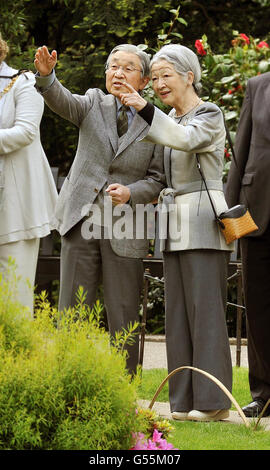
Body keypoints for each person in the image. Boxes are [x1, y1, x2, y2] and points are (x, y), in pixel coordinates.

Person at [34, 44, 165, 375]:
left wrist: (131, 192)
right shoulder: (93, 102)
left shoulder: (156, 122)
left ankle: (123, 388)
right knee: (73, 309)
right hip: (81, 219)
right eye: (112, 66)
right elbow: (62, 100)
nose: (117, 73)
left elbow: (158, 179)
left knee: (123, 312)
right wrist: (48, 77)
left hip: (126, 225)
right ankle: (69, 382)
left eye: (127, 68)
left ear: (145, 80)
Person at [120, 43, 234, 421]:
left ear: (189, 75)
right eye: (155, 78)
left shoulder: (209, 114)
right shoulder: (168, 117)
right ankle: (183, 402)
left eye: (166, 75)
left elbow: (185, 140)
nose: (159, 83)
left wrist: (145, 107)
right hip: (173, 223)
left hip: (203, 219)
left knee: (206, 312)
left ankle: (214, 403)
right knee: (179, 314)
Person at [0, 34, 58, 315]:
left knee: (13, 296)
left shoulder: (21, 83)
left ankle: (14, 358)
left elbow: (25, 132)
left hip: (16, 204)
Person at [225, 71, 270, 418]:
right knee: (258, 307)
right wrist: (230, 220)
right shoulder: (258, 86)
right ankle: (263, 394)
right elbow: (240, 155)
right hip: (258, 213)